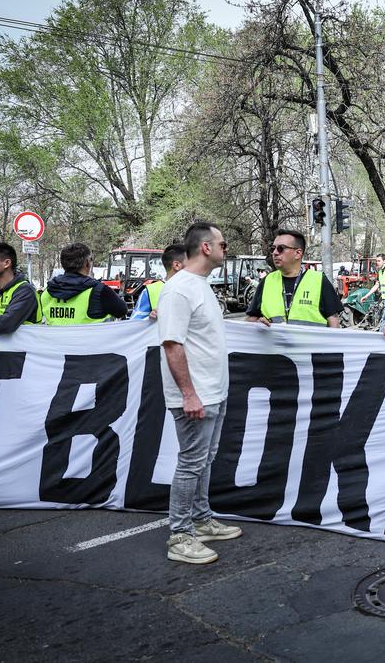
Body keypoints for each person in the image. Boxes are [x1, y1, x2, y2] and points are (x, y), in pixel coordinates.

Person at [157, 221, 241, 565]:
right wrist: (189, 394)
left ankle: (201, 519)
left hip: (212, 391)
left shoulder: (201, 285)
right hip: (195, 395)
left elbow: (204, 333)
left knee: (204, 459)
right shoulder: (179, 289)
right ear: (205, 247)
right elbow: (172, 344)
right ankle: (180, 534)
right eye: (222, 243)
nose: (226, 247)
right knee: (191, 462)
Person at [245, 229, 342, 327]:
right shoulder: (267, 281)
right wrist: (257, 324)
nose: (274, 252)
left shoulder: (319, 281)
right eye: (273, 248)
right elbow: (251, 319)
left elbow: (334, 322)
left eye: (280, 248)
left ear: (298, 253)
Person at [41, 243, 127, 325]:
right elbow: (122, 311)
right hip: (91, 340)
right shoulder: (100, 291)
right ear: (87, 263)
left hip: (56, 340)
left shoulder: (46, 293)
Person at [131, 244, 186, 321]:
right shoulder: (150, 291)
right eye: (191, 264)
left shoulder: (196, 288)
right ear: (176, 265)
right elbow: (134, 324)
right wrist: (149, 319)